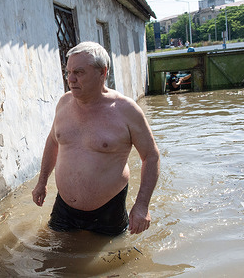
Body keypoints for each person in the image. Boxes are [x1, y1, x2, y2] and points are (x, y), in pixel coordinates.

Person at [32, 42, 160, 235]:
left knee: (112, 260)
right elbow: (52, 141)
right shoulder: (64, 103)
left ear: (103, 72)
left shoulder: (126, 111)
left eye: (79, 72)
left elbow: (151, 156)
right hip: (64, 207)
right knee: (53, 259)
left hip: (108, 210)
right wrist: (42, 182)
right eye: (68, 72)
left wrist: (142, 205)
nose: (71, 79)